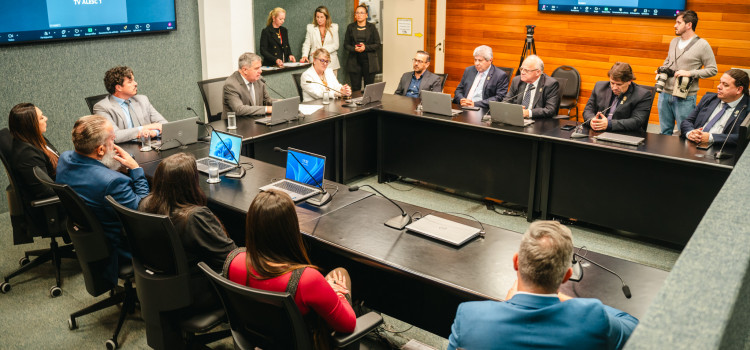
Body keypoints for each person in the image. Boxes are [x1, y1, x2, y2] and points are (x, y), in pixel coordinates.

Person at [447, 221, 638, 350]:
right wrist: (564, 299)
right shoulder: (594, 319)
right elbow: (635, 330)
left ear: (516, 262)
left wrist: (509, 302)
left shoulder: (469, 317)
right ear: (567, 276)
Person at [224, 189, 356, 348]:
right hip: (303, 344)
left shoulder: (233, 260)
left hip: (257, 339)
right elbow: (348, 325)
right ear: (291, 228)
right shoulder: (307, 279)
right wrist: (338, 293)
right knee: (341, 274)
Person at [56, 115, 149, 284]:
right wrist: (136, 170)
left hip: (93, 238)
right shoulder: (112, 182)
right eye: (113, 140)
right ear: (100, 150)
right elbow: (142, 211)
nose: (115, 145)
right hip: (123, 246)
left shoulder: (64, 159)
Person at [139, 152, 236, 307]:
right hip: (198, 290)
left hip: (165, 285)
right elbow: (230, 258)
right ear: (191, 183)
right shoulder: (194, 218)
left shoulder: (145, 204)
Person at [657, 10, 718, 135]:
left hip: (685, 97)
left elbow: (713, 70)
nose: (675, 25)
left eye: (679, 23)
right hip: (664, 94)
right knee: (664, 132)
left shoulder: (703, 45)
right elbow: (668, 62)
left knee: (685, 133)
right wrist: (661, 69)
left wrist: (690, 73)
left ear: (689, 25)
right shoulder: (673, 41)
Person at [7, 103, 62, 234]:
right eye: (41, 118)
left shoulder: (36, 139)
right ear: (31, 125)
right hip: (53, 209)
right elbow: (46, 191)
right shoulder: (27, 154)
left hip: (61, 184)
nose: (46, 118)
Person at [93, 66, 168, 143]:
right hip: (123, 150)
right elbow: (114, 136)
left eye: (134, 80)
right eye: (130, 82)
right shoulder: (102, 107)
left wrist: (154, 132)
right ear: (119, 87)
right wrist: (144, 128)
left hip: (147, 145)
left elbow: (164, 124)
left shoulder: (142, 100)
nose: (135, 83)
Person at [681, 69, 749, 147]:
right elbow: (687, 121)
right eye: (720, 83)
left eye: (725, 85)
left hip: (721, 150)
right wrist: (690, 133)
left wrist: (711, 137)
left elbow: (744, 137)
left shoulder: (747, 107)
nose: (719, 87)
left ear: (739, 89)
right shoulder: (708, 99)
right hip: (693, 145)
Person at [583, 62, 653, 132]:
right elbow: (588, 110)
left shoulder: (642, 95)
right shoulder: (599, 87)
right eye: (612, 83)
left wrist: (609, 124)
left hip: (625, 134)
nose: (614, 87)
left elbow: (637, 121)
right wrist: (592, 120)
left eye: (619, 84)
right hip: (598, 131)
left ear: (629, 81)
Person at [503, 55, 560, 119]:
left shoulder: (550, 84)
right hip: (517, 119)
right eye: (521, 69)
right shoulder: (516, 80)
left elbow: (550, 110)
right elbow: (506, 101)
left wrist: (528, 113)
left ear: (538, 72)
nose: (522, 72)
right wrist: (514, 109)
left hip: (538, 121)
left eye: (526, 70)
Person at [223, 52, 273, 118]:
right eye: (256, 68)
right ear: (245, 70)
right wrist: (267, 109)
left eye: (260, 67)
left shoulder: (259, 80)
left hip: (255, 120)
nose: (260, 71)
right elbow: (239, 109)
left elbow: (267, 100)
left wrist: (282, 103)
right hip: (238, 123)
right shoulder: (231, 85)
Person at [344, 5, 381, 93]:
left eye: (362, 13)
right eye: (357, 13)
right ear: (355, 15)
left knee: (369, 89)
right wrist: (354, 49)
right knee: (355, 89)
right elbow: (346, 45)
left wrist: (365, 47)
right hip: (354, 61)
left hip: (369, 62)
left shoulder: (372, 27)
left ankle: (368, 106)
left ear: (366, 15)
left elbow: (377, 44)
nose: (359, 15)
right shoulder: (350, 27)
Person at [300, 6, 341, 75]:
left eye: (321, 17)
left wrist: (320, 50)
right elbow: (307, 44)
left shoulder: (334, 27)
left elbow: (336, 45)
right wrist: (304, 56)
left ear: (326, 17)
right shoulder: (310, 28)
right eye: (317, 17)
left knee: (331, 85)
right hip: (315, 63)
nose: (319, 19)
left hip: (331, 63)